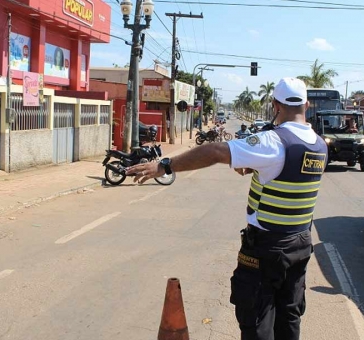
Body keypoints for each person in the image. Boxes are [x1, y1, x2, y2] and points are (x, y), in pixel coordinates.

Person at [126, 77, 328, 340]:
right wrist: (258, 166)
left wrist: (165, 165)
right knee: (289, 316)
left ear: (275, 104)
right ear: (307, 105)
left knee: (257, 320)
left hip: (267, 248)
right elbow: (288, 173)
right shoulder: (319, 145)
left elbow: (215, 151)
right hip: (300, 243)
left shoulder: (273, 142)